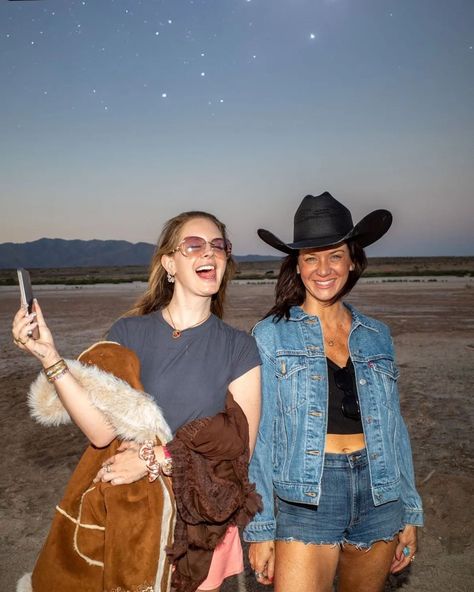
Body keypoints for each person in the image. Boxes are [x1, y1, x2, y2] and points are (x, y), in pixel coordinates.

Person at [12, 210, 261, 592]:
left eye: (218, 246)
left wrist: (153, 459)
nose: (208, 254)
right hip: (132, 511)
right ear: (169, 264)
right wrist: (50, 358)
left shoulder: (239, 347)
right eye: (193, 245)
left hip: (197, 521)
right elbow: (100, 433)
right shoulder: (129, 332)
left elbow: (240, 448)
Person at [243, 192, 423, 592]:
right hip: (307, 496)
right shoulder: (270, 335)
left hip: (380, 492)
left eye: (335, 255)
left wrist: (409, 509)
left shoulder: (377, 335)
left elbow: (395, 428)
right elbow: (261, 437)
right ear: (297, 265)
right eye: (311, 257)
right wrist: (261, 528)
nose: (323, 269)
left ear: (353, 260)